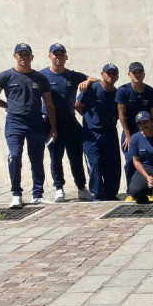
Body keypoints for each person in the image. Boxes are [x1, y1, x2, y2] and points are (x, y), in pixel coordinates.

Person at [0, 43, 57, 207]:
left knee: (36, 158)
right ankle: (16, 194)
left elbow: (49, 104)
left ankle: (37, 194)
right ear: (15, 56)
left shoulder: (40, 78)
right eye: (20, 54)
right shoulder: (5, 76)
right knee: (15, 155)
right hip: (14, 122)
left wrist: (53, 127)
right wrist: (8, 107)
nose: (23, 57)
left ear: (32, 57)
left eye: (27, 54)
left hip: (35, 122)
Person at [39, 43, 95, 202]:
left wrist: (88, 81)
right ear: (49, 56)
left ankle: (81, 187)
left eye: (61, 54)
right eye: (55, 54)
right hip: (51, 122)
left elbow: (97, 80)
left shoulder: (72, 75)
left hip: (70, 121)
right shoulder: (42, 75)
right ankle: (59, 188)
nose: (58, 57)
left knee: (76, 156)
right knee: (55, 157)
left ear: (66, 57)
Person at [75, 63, 121, 201]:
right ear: (102, 74)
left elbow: (118, 112)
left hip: (109, 132)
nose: (111, 76)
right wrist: (90, 119)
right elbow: (78, 106)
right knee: (94, 164)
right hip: (91, 133)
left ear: (117, 77)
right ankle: (97, 194)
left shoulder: (116, 93)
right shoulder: (92, 88)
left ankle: (111, 193)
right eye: (108, 73)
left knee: (112, 164)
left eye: (114, 73)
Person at [116, 62, 153, 188]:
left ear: (144, 74)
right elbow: (121, 115)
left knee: (149, 160)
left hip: (147, 131)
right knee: (130, 160)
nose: (137, 75)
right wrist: (128, 135)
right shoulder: (123, 91)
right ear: (129, 74)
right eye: (135, 73)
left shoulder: (151, 92)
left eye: (140, 72)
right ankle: (130, 190)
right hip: (130, 132)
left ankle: (148, 188)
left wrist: (152, 133)